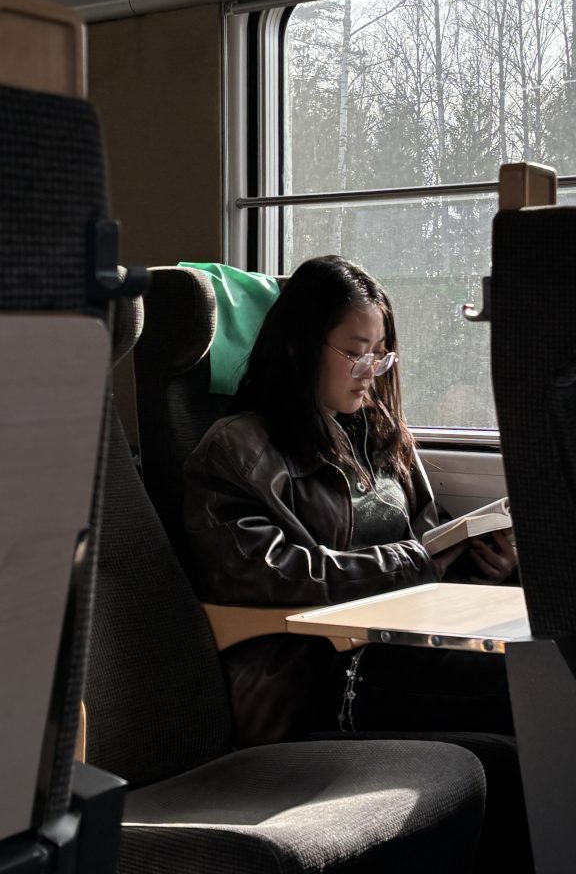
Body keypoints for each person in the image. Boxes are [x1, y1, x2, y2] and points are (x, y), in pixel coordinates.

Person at [183, 254, 519, 745]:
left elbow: (429, 541)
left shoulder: (379, 436)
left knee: (549, 667)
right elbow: (271, 574)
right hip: (324, 672)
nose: (371, 372)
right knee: (531, 689)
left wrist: (485, 564)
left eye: (381, 354)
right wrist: (414, 562)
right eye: (357, 353)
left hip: (405, 640)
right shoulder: (237, 450)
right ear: (299, 347)